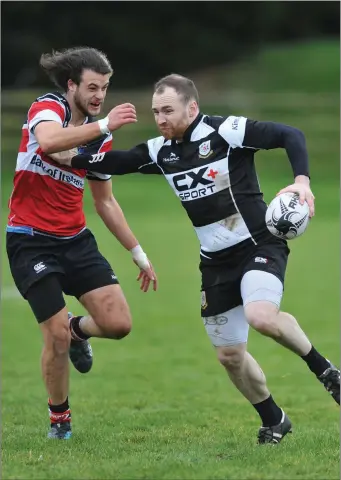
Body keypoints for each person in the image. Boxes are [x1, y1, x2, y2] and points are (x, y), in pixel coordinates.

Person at [66, 74, 340, 445]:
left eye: (168, 110)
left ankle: (326, 372)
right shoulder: (160, 151)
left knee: (261, 315)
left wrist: (302, 181)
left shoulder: (226, 131)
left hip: (259, 244)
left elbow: (289, 134)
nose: (160, 119)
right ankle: (274, 419)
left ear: (192, 107)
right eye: (155, 112)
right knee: (229, 355)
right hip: (214, 261)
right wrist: (69, 154)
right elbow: (118, 161)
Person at [6, 47, 157, 440]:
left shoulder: (98, 136)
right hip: (30, 240)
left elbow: (105, 201)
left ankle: (77, 331)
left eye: (104, 88)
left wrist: (138, 253)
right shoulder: (47, 108)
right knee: (51, 336)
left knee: (118, 323)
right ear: (71, 85)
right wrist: (105, 123)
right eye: (92, 87)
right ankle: (60, 419)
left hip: (75, 239)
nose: (98, 96)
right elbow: (51, 141)